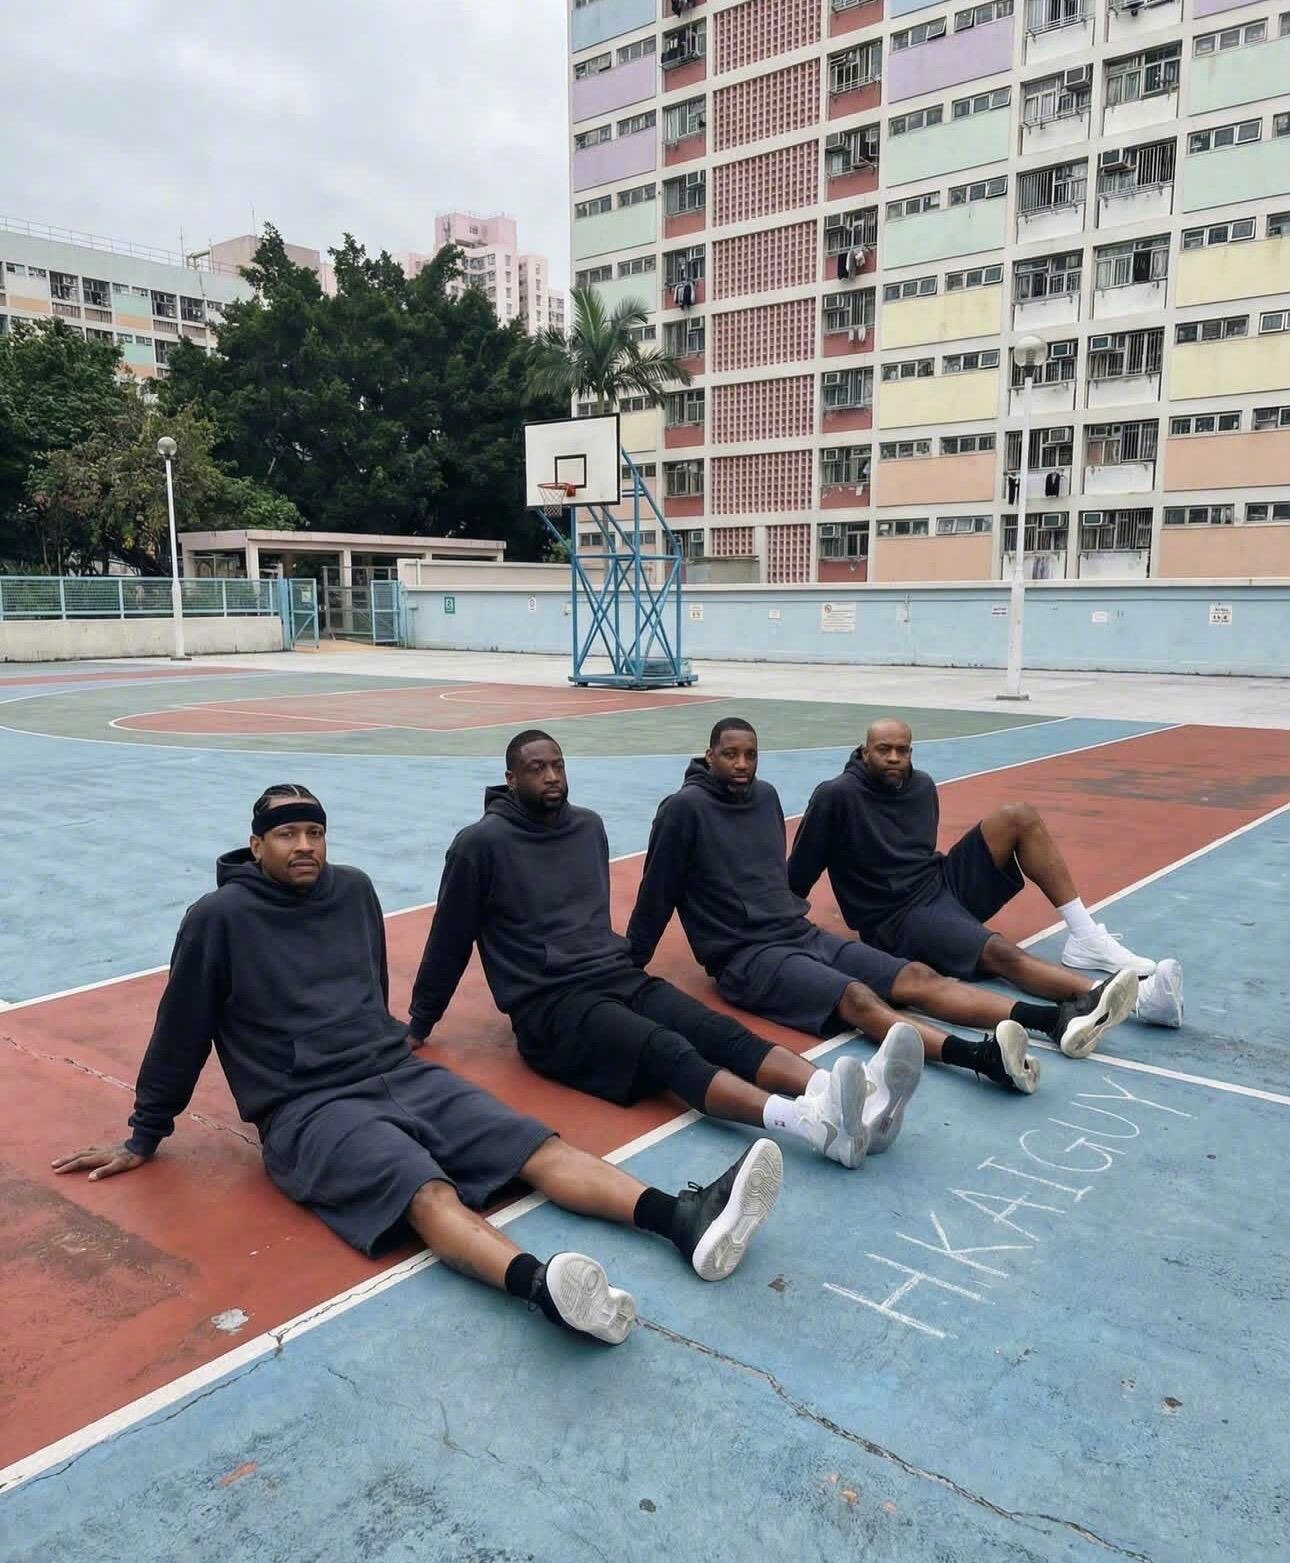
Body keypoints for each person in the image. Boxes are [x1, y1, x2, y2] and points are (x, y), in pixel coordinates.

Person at [53, 785, 785, 1349]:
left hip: (393, 1069)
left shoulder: (354, 890)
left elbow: (369, 984)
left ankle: (682, 1219)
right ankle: (546, 1289)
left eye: (314, 832)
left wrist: (394, 1039)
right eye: (287, 835)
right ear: (256, 844)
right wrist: (145, 1131)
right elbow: (181, 1028)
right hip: (307, 1107)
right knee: (425, 1191)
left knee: (536, 1145)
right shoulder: (217, 919)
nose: (304, 846)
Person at [409, 731, 892, 1170]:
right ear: (511, 779)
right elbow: (449, 937)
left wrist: (628, 962)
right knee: (668, 1050)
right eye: (537, 769)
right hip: (550, 1006)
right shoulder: (480, 846)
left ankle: (836, 1092)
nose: (552, 776)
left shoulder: (587, 827)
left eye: (558, 765)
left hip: (614, 974)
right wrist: (420, 1021)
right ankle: (809, 1124)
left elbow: (590, 921)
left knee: (717, 1030)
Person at [628, 718, 1142, 1096]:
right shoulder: (682, 811)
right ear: (709, 755)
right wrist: (629, 965)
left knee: (918, 977)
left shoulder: (765, 798)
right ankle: (982, 1058)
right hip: (747, 957)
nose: (741, 765)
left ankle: (1053, 1020)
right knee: (856, 999)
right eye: (730, 755)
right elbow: (657, 891)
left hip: (797, 932)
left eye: (750, 755)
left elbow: (775, 878)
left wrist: (789, 910)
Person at [788, 718, 1184, 1028]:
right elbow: (801, 871)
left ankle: (1085, 936)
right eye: (883, 750)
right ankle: (1136, 1000)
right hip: (897, 920)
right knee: (1001, 952)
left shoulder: (921, 786)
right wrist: (784, 928)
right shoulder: (836, 796)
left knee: (1018, 816)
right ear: (864, 751)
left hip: (938, 885)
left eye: (902, 750)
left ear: (911, 752)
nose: (894, 758)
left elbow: (918, 856)